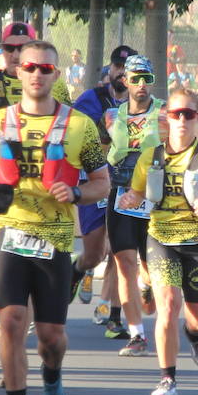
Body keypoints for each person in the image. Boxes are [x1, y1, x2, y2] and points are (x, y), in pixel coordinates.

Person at [0, 39, 109, 395]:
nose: (35, 74)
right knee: (11, 322)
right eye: (29, 67)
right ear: (18, 70)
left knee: (51, 337)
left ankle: (52, 377)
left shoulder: (78, 125)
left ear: (56, 75)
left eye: (45, 69)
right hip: (11, 231)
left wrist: (78, 194)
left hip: (56, 239)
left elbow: (103, 181)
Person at [120, 89, 198, 395]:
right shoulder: (151, 156)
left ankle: (195, 336)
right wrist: (130, 198)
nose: (181, 120)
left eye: (188, 114)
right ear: (167, 117)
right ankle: (167, 380)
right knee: (167, 307)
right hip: (161, 237)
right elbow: (138, 193)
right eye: (176, 113)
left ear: (197, 118)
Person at [103, 54, 165, 356]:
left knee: (148, 267)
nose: (141, 85)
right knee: (123, 264)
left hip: (154, 198)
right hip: (121, 195)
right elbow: (108, 151)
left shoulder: (164, 114)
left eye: (147, 79)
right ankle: (136, 334)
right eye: (135, 78)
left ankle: (147, 283)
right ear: (124, 81)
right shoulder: (112, 116)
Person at [70, 45, 135, 314]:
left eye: (127, 68)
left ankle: (110, 311)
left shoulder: (141, 104)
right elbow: (84, 135)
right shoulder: (92, 98)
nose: (121, 72)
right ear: (110, 70)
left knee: (121, 251)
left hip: (126, 184)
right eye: (117, 67)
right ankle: (79, 269)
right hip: (95, 181)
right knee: (97, 252)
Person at [0, 21, 71, 109]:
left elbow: (69, 121)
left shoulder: (55, 84)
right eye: (9, 48)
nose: (15, 55)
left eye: (22, 48)